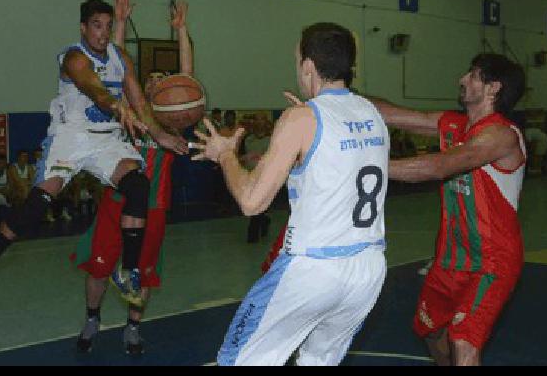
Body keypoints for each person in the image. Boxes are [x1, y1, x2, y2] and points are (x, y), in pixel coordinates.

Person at [0, 0, 187, 311]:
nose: (103, 32)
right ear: (82, 28)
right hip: (71, 139)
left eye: (107, 25)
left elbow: (140, 102)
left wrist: (161, 135)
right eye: (96, 26)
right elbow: (96, 90)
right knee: (35, 209)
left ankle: (128, 271)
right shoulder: (73, 58)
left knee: (138, 185)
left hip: (106, 141)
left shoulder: (121, 57)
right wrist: (120, 107)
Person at [193, 22, 390, 366]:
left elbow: (252, 202)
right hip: (368, 269)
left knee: (237, 360)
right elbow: (333, 163)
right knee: (316, 362)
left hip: (313, 268)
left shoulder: (301, 118)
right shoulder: (371, 113)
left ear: (309, 66)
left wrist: (225, 154)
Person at [368, 53, 527, 366]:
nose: (462, 79)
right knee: (429, 331)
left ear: (493, 87)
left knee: (463, 339)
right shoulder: (453, 124)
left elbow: (441, 166)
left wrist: (366, 167)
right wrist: (340, 97)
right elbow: (396, 115)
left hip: (492, 261)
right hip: (450, 259)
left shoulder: (501, 134)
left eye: (473, 75)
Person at [71, 0, 194, 355]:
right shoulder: (127, 112)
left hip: (154, 209)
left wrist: (182, 29)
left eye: (162, 78)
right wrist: (120, 23)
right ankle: (92, 319)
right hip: (116, 202)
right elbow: (117, 61)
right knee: (98, 269)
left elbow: (187, 76)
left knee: (142, 273)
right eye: (150, 78)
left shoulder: (173, 123)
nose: (156, 81)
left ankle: (133, 328)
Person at [241, 113, 272, 243]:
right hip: (249, 175)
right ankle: (264, 221)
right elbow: (242, 156)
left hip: (265, 177)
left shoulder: (271, 139)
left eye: (261, 120)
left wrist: (260, 157)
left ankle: (253, 233)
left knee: (257, 203)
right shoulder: (248, 139)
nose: (259, 123)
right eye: (257, 120)